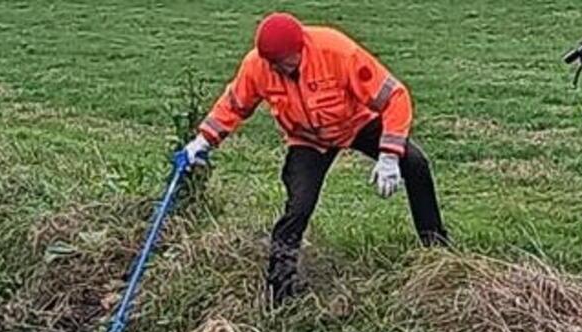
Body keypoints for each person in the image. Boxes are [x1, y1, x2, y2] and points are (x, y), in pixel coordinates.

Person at [179, 12, 449, 305]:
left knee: (416, 164)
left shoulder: (336, 50)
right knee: (298, 207)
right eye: (273, 64)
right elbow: (234, 105)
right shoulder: (258, 66)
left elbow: (395, 95)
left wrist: (389, 155)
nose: (278, 69)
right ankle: (280, 291)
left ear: (301, 49)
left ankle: (436, 248)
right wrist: (202, 141)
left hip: (356, 123)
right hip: (307, 140)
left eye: (284, 62)